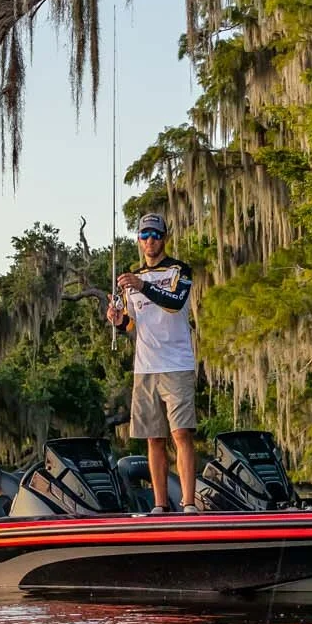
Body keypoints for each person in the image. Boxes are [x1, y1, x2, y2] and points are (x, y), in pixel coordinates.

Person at [107, 211, 200, 512]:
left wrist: (142, 285)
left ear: (164, 238)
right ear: (139, 240)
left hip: (177, 365)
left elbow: (175, 303)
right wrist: (119, 321)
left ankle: (188, 502)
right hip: (145, 368)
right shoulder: (131, 280)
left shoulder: (179, 270)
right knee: (153, 438)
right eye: (145, 235)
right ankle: (160, 505)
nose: (150, 240)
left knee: (181, 433)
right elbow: (133, 324)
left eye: (155, 235)